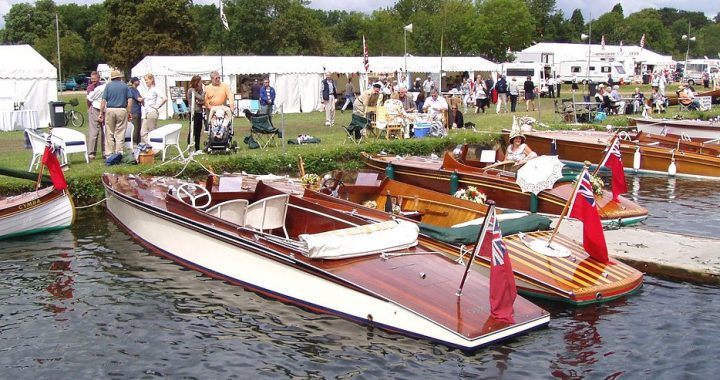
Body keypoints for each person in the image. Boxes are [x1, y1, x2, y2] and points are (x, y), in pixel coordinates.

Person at [99, 70, 132, 157]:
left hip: (110, 110)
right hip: (121, 109)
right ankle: (119, 152)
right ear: (120, 77)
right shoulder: (125, 86)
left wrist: (101, 112)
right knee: (120, 132)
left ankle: (109, 153)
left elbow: (103, 101)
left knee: (109, 132)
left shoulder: (108, 86)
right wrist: (128, 112)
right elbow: (130, 100)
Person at [140, 73, 166, 144]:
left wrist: (158, 106)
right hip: (146, 113)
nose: (146, 82)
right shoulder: (149, 90)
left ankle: (155, 148)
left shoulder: (155, 89)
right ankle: (151, 147)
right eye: (145, 81)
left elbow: (164, 98)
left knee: (152, 132)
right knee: (143, 132)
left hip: (152, 112)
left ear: (151, 80)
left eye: (147, 80)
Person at [85, 71, 104, 159]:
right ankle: (91, 153)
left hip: (103, 110)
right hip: (94, 109)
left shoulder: (103, 86)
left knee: (104, 132)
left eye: (94, 79)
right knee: (94, 132)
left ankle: (105, 151)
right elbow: (89, 99)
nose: (93, 81)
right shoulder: (90, 87)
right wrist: (89, 109)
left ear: (99, 78)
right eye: (92, 79)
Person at [186, 75, 205, 151]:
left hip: (199, 112)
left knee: (198, 130)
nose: (201, 83)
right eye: (200, 81)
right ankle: (189, 147)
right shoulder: (191, 90)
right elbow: (201, 98)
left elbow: (202, 101)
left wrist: (199, 100)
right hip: (193, 112)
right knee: (192, 130)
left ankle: (197, 148)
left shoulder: (199, 90)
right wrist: (204, 92)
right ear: (196, 82)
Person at [128, 77, 143, 146]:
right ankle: (134, 143)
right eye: (137, 81)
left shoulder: (136, 90)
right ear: (134, 82)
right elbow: (139, 99)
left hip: (138, 111)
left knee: (138, 128)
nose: (139, 82)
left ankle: (138, 143)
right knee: (135, 129)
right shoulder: (132, 89)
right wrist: (146, 98)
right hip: (134, 112)